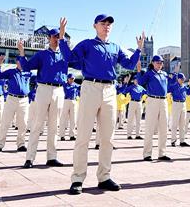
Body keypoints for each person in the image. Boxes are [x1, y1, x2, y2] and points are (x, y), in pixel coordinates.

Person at [59, 15, 144, 195]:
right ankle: (77, 178)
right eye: (103, 23)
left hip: (109, 90)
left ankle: (104, 176)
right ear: (95, 26)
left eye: (109, 24)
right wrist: (61, 39)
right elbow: (70, 59)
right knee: (83, 135)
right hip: (90, 86)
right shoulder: (87, 44)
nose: (106, 26)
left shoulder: (115, 47)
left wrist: (138, 49)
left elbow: (128, 63)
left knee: (108, 137)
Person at [17, 28, 68, 168]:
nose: (57, 39)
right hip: (44, 88)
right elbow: (26, 67)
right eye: (54, 36)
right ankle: (29, 158)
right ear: (48, 38)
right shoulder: (42, 55)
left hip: (59, 90)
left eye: (59, 36)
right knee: (37, 124)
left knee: (54, 126)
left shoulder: (65, 55)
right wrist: (22, 52)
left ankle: (52, 157)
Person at [137, 54, 176, 162]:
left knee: (164, 128)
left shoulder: (164, 74)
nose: (160, 64)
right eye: (158, 62)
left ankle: (162, 153)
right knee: (150, 127)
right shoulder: (149, 73)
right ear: (153, 63)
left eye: (161, 63)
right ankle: (147, 154)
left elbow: (171, 83)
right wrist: (139, 71)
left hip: (163, 100)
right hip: (152, 100)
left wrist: (175, 73)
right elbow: (140, 82)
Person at [168, 72, 190, 147]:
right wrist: (172, 77)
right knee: (175, 123)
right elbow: (168, 89)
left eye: (183, 79)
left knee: (182, 124)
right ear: (178, 79)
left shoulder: (184, 86)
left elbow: (188, 93)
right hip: (176, 103)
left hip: (183, 104)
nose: (183, 80)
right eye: (181, 79)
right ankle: (173, 140)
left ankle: (182, 141)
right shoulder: (174, 86)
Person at [124, 72, 146, 140]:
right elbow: (124, 91)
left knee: (138, 120)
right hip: (132, 102)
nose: (136, 81)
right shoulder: (131, 87)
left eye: (137, 79)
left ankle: (137, 134)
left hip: (139, 103)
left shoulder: (141, 88)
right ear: (133, 80)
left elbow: (147, 92)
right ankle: (129, 135)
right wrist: (126, 83)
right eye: (135, 79)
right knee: (130, 119)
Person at [59, 73, 80, 141]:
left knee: (73, 119)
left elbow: (81, 88)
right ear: (67, 79)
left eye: (73, 79)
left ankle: (72, 135)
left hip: (73, 101)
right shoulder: (64, 85)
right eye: (70, 78)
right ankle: (62, 135)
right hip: (65, 101)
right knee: (63, 119)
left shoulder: (76, 85)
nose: (72, 80)